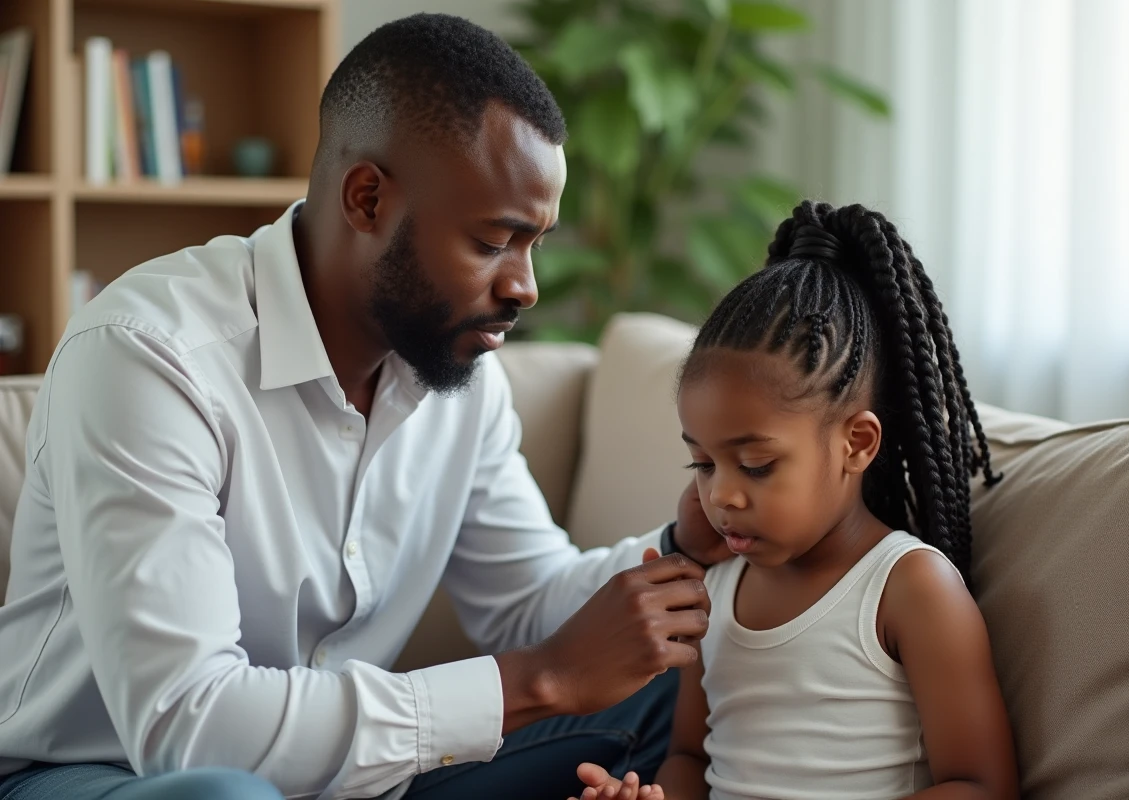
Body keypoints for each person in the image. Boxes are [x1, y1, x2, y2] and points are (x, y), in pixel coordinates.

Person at [0, 14, 730, 800]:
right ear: (366, 198)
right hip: (101, 775)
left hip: (361, 781)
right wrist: (540, 681)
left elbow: (527, 603)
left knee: (686, 686)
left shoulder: (460, 377)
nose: (526, 287)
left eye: (535, 244)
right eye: (493, 241)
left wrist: (683, 547)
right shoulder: (148, 355)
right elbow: (191, 726)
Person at [573, 201, 1021, 800]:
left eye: (756, 466)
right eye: (702, 464)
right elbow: (687, 756)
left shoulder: (909, 587)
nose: (721, 495)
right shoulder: (717, 589)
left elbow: (982, 786)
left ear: (855, 444)